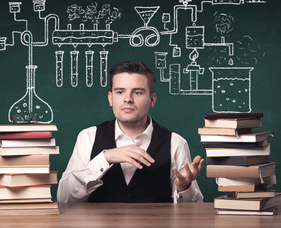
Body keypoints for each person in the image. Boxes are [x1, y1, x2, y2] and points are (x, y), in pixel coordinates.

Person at [57, 61, 204, 203]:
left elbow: (194, 209)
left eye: (138, 92)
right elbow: (64, 198)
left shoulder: (175, 142)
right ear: (111, 99)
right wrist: (105, 158)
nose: (128, 99)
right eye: (120, 92)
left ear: (152, 100)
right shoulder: (88, 137)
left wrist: (184, 187)